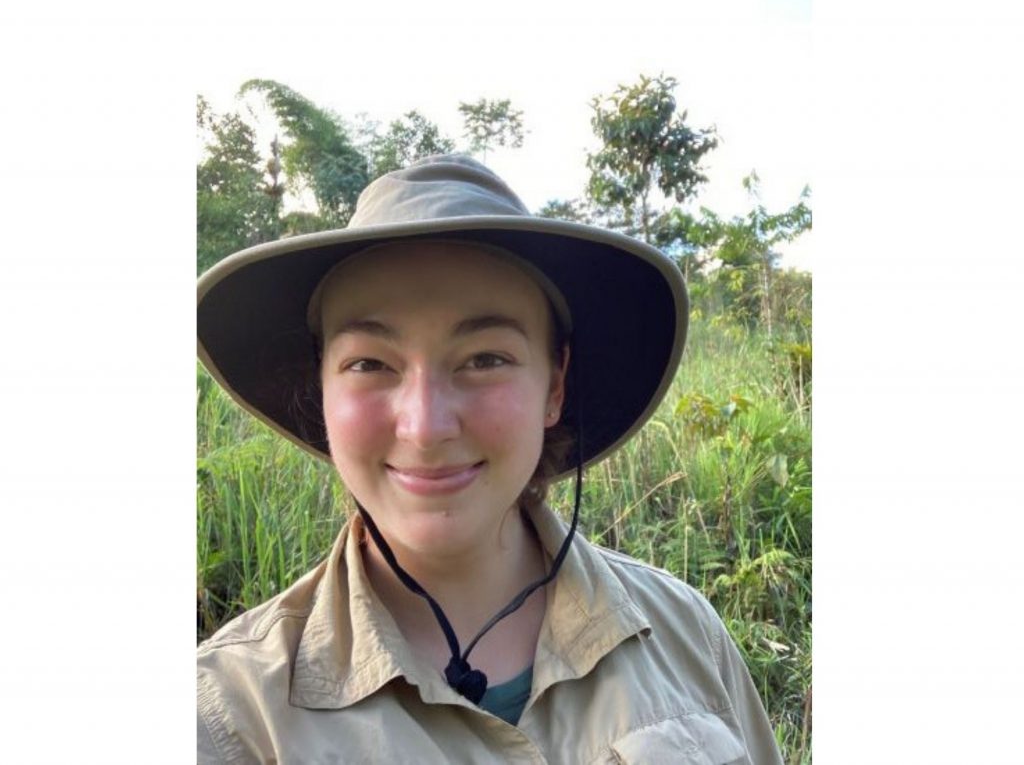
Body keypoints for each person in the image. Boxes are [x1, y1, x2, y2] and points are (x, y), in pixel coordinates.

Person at [197, 154, 784, 763]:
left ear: (554, 386)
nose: (425, 428)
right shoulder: (228, 717)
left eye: (485, 359)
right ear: (323, 388)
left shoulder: (687, 634)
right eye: (370, 363)